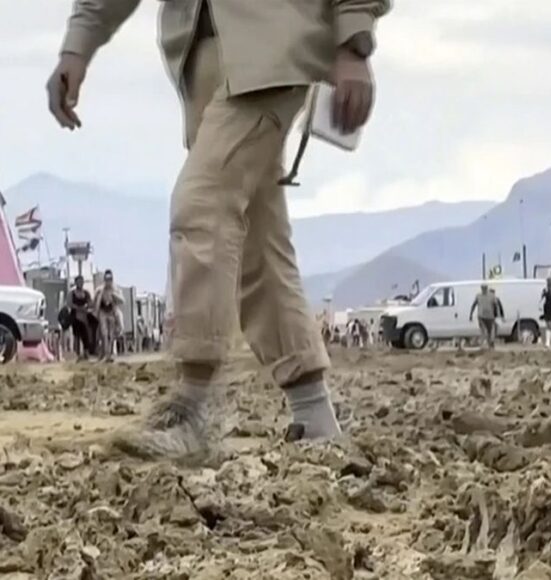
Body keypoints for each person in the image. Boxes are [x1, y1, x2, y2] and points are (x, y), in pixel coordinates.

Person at [48, 0, 391, 458]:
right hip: (201, 64)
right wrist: (78, 45)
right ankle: (315, 418)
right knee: (257, 241)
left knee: (202, 203)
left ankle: (194, 409)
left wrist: (354, 41)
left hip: (276, 48)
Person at [94, 270, 124, 363]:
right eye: (106, 279)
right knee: (104, 334)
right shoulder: (99, 290)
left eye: (110, 279)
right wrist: (96, 312)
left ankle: (109, 354)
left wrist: (114, 295)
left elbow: (122, 301)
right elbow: (95, 302)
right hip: (103, 312)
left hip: (112, 312)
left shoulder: (116, 289)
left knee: (111, 335)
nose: (108, 281)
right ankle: (105, 353)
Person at [67, 276, 92, 361]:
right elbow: (69, 304)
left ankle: (86, 353)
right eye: (78, 281)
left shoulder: (86, 293)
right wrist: (78, 307)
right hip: (75, 316)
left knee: (86, 335)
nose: (80, 283)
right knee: (76, 335)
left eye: (81, 281)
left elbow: (90, 303)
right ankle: (77, 354)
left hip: (84, 317)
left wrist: (87, 306)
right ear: (75, 282)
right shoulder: (72, 293)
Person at [469, 284, 502, 349]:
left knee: (487, 330)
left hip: (486, 316)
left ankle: (488, 343)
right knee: (488, 330)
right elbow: (496, 305)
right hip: (486, 316)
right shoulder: (491, 296)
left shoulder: (480, 296)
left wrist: (471, 315)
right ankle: (489, 343)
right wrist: (497, 314)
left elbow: (473, 305)